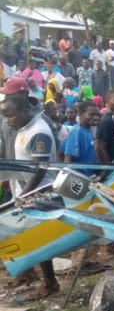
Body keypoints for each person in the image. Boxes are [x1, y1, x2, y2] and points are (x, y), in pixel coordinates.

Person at [0, 92, 59, 298]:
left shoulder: (39, 132)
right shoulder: (23, 128)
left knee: (38, 238)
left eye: (10, 116)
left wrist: (25, 195)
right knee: (24, 233)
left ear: (25, 111)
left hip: (39, 192)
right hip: (24, 190)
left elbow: (40, 168)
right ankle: (27, 271)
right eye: (4, 116)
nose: (7, 120)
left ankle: (50, 283)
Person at [63, 100, 100, 176]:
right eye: (91, 114)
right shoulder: (76, 132)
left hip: (91, 178)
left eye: (97, 115)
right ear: (80, 114)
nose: (95, 117)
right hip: (82, 179)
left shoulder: (87, 130)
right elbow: (68, 159)